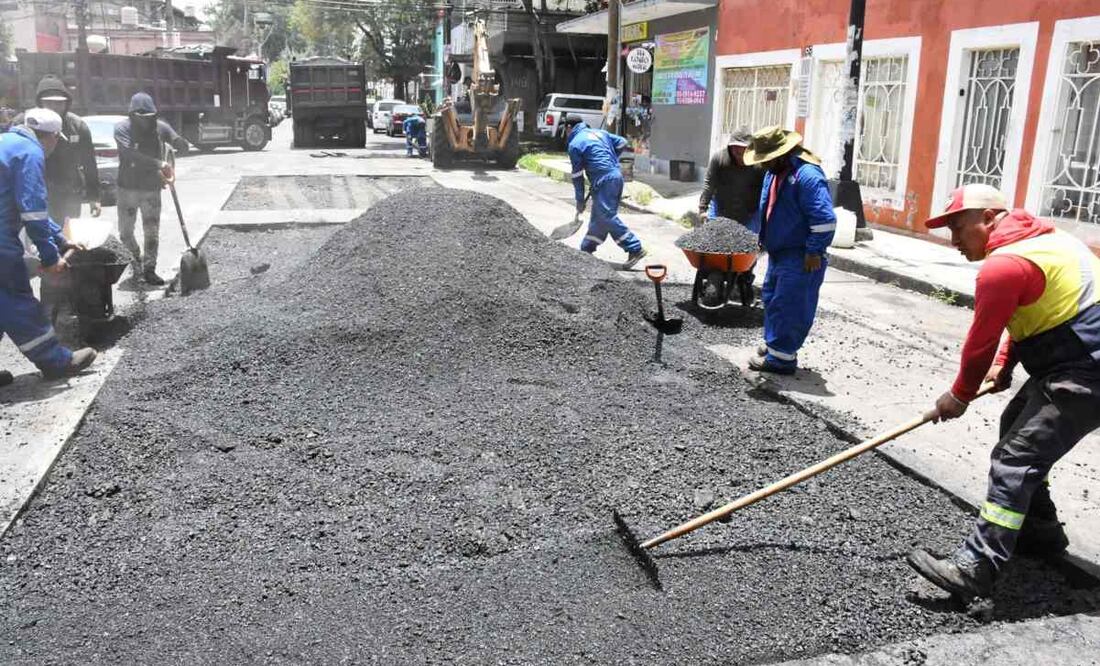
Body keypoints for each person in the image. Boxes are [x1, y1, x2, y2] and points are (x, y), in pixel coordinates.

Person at [906, 184, 1100, 600]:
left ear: (989, 218)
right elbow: (1036, 308)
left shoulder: (1003, 266)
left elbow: (980, 342)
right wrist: (1005, 364)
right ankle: (1040, 531)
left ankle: (976, 568)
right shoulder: (1045, 240)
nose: (954, 241)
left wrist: (959, 396)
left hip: (1086, 369)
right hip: (1074, 360)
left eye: (958, 228)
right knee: (1016, 424)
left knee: (1016, 457)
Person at [0, 108, 97, 381]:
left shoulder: (6, 143)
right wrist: (51, 257)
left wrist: (61, 239)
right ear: (52, 136)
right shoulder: (30, 153)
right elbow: (32, 211)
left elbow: (28, 210)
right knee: (15, 298)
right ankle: (56, 361)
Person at [741, 126, 836, 375]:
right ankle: (774, 343)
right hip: (780, 252)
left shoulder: (808, 176)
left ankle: (782, 359)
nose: (762, 164)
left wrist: (814, 250)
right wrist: (763, 239)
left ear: (781, 154)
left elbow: (825, 220)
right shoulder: (775, 173)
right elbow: (770, 207)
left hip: (802, 256)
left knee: (790, 305)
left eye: (766, 159)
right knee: (772, 298)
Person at [114, 92, 189, 286]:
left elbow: (178, 142)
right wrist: (159, 164)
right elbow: (130, 155)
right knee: (125, 233)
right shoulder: (122, 129)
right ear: (132, 115)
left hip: (151, 190)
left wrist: (181, 143)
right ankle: (135, 258)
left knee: (152, 231)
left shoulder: (160, 127)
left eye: (148, 117)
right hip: (127, 189)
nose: (144, 121)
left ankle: (149, 269)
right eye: (140, 117)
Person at [565, 114, 647, 270]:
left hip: (605, 180)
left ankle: (635, 248)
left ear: (569, 128)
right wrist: (611, 158)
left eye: (566, 130)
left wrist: (580, 201)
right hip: (616, 176)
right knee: (599, 217)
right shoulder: (600, 133)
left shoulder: (575, 144)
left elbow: (577, 176)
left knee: (606, 216)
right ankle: (586, 249)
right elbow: (622, 142)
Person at [18, 75, 101, 224]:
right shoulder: (24, 123)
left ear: (67, 103)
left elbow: (89, 162)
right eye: (49, 103)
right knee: (36, 232)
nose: (54, 107)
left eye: (59, 103)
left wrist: (94, 196)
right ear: (40, 102)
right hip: (35, 191)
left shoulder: (77, 126)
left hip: (69, 193)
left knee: (68, 233)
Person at [698, 126, 766, 306]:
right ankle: (715, 272)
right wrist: (703, 209)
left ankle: (745, 277)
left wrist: (765, 219)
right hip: (721, 208)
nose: (738, 152)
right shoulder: (720, 159)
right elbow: (709, 184)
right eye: (735, 148)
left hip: (750, 211)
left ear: (750, 148)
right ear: (730, 146)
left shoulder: (759, 164)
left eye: (743, 149)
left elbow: (765, 191)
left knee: (748, 249)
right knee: (715, 245)